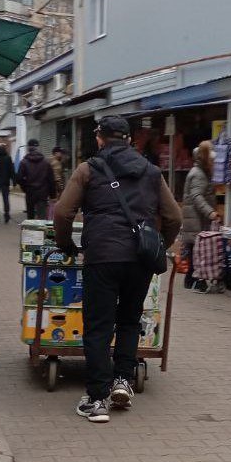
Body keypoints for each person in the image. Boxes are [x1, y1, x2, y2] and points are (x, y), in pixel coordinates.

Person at [54, 115, 182, 423]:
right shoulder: (151, 172)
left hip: (102, 256)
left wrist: (66, 245)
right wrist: (158, 245)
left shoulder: (88, 169)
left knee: (98, 325)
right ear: (129, 140)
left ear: (99, 138)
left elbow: (62, 212)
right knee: (128, 319)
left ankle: (97, 398)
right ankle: (122, 381)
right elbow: (174, 216)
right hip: (139, 259)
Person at [181, 140, 218, 292]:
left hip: (193, 218)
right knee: (198, 251)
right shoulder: (199, 174)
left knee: (193, 250)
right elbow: (197, 196)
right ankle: (197, 280)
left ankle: (190, 279)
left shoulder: (197, 172)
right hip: (196, 218)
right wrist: (210, 212)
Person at [17, 139, 55, 219]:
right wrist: (52, 195)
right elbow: (51, 180)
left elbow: (19, 178)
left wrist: (25, 188)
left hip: (30, 192)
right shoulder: (46, 162)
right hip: (43, 193)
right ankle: (41, 231)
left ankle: (31, 231)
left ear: (28, 148)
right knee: (42, 216)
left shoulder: (24, 162)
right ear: (38, 148)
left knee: (30, 217)